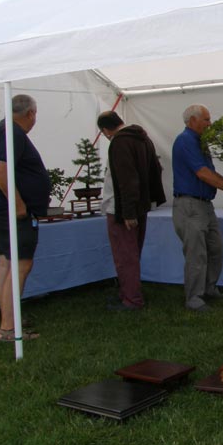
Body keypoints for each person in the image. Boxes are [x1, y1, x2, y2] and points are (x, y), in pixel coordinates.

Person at [172, 104, 223, 312]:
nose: (210, 124)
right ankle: (194, 298)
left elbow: (210, 172)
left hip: (204, 205)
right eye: (206, 119)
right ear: (193, 120)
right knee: (196, 254)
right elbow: (202, 173)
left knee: (215, 248)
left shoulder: (200, 143)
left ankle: (209, 288)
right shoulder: (185, 140)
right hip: (190, 205)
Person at [0, 94, 50, 341]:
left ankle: (9, 318)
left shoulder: (2, 129)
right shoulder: (12, 132)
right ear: (30, 114)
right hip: (11, 213)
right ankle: (8, 328)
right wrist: (17, 204)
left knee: (7, 264)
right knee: (20, 265)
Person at [97, 111, 166, 311]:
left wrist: (128, 212)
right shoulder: (143, 139)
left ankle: (132, 299)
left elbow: (127, 178)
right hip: (140, 205)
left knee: (125, 255)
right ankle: (128, 292)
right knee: (132, 253)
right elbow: (156, 169)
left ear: (105, 130)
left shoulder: (120, 142)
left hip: (122, 208)